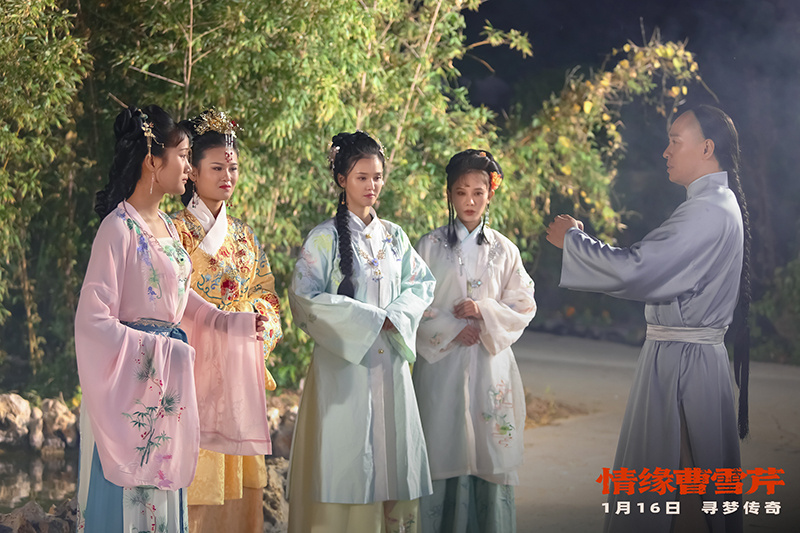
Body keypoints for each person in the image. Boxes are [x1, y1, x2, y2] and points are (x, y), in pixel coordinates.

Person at [545, 105, 750, 533]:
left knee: (678, 487)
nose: (666, 152)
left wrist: (574, 241)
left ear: (706, 148)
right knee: (686, 484)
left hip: (682, 363)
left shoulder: (708, 211)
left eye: (675, 141)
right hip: (684, 355)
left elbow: (638, 267)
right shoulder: (715, 204)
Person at [75, 105, 272, 533]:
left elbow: (180, 299)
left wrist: (228, 322)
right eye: (182, 155)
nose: (187, 166)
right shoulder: (118, 228)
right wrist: (160, 349)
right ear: (152, 160)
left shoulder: (164, 224)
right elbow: (92, 321)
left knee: (165, 493)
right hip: (136, 382)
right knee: (132, 495)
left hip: (167, 380)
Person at [287, 131, 436, 533]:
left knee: (392, 457)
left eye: (378, 177)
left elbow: (422, 284)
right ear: (342, 180)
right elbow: (303, 297)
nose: (372, 185)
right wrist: (370, 320)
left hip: (390, 365)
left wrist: (395, 317)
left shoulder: (395, 237)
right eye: (362, 177)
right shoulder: (324, 238)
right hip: (344, 369)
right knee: (346, 463)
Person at [171, 108, 283, 533]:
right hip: (193, 367)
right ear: (193, 172)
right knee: (196, 477)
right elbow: (170, 297)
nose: (227, 176)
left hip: (237, 368)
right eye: (217, 167)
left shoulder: (245, 235)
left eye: (232, 168)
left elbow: (265, 292)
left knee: (240, 489)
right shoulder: (173, 231)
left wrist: (258, 321)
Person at [413, 149, 537, 533]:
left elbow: (523, 304)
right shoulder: (428, 246)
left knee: (488, 450)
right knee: (441, 445)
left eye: (478, 193)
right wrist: (452, 327)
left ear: (490, 194)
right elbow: (411, 304)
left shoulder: (506, 250)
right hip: (442, 363)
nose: (470, 201)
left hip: (488, 363)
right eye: (461, 192)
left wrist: (483, 312)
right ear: (449, 194)